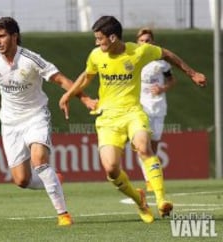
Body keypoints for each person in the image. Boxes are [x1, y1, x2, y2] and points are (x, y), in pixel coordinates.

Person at [59, 16, 207, 223]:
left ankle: (162, 200)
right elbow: (87, 75)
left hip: (133, 113)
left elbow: (166, 54)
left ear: (112, 37)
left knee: (144, 147)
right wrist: (68, 95)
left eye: (99, 38)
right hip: (108, 118)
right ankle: (140, 201)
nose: (96, 43)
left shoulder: (138, 51)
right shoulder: (96, 55)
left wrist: (192, 73)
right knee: (111, 169)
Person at [0, 17, 96, 226]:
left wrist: (85, 98)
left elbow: (61, 79)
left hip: (36, 116)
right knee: (21, 180)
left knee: (39, 160)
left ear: (14, 36)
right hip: (10, 123)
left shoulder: (31, 59)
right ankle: (53, 179)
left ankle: (63, 214)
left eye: (2, 36)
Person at [136, 27, 177, 192]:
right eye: (142, 40)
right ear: (137, 43)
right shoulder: (134, 61)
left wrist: (163, 88)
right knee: (143, 145)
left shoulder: (162, 63)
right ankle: (149, 180)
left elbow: (172, 80)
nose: (145, 43)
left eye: (148, 40)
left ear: (153, 42)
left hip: (158, 107)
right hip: (141, 107)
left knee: (154, 147)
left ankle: (152, 178)